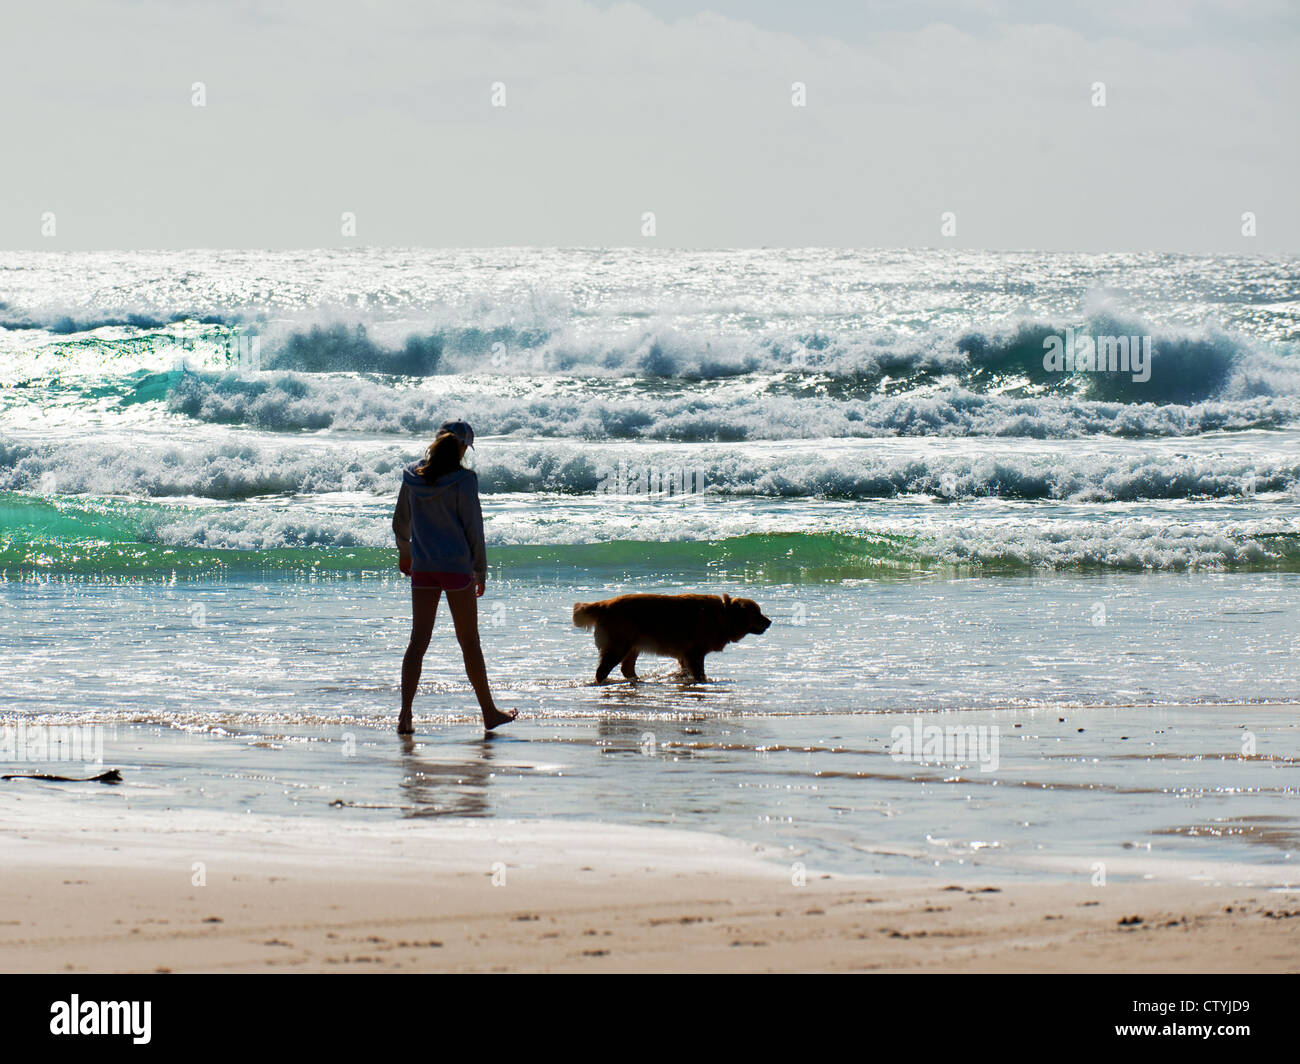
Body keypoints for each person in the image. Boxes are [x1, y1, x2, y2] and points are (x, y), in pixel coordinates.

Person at [392, 420, 516, 734]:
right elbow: (474, 528)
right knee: (469, 643)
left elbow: (400, 522)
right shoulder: (464, 480)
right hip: (456, 567)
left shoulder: (412, 476)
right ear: (461, 447)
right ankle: (489, 713)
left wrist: (405, 552)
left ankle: (405, 716)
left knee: (417, 642)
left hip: (423, 567)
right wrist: (481, 569)